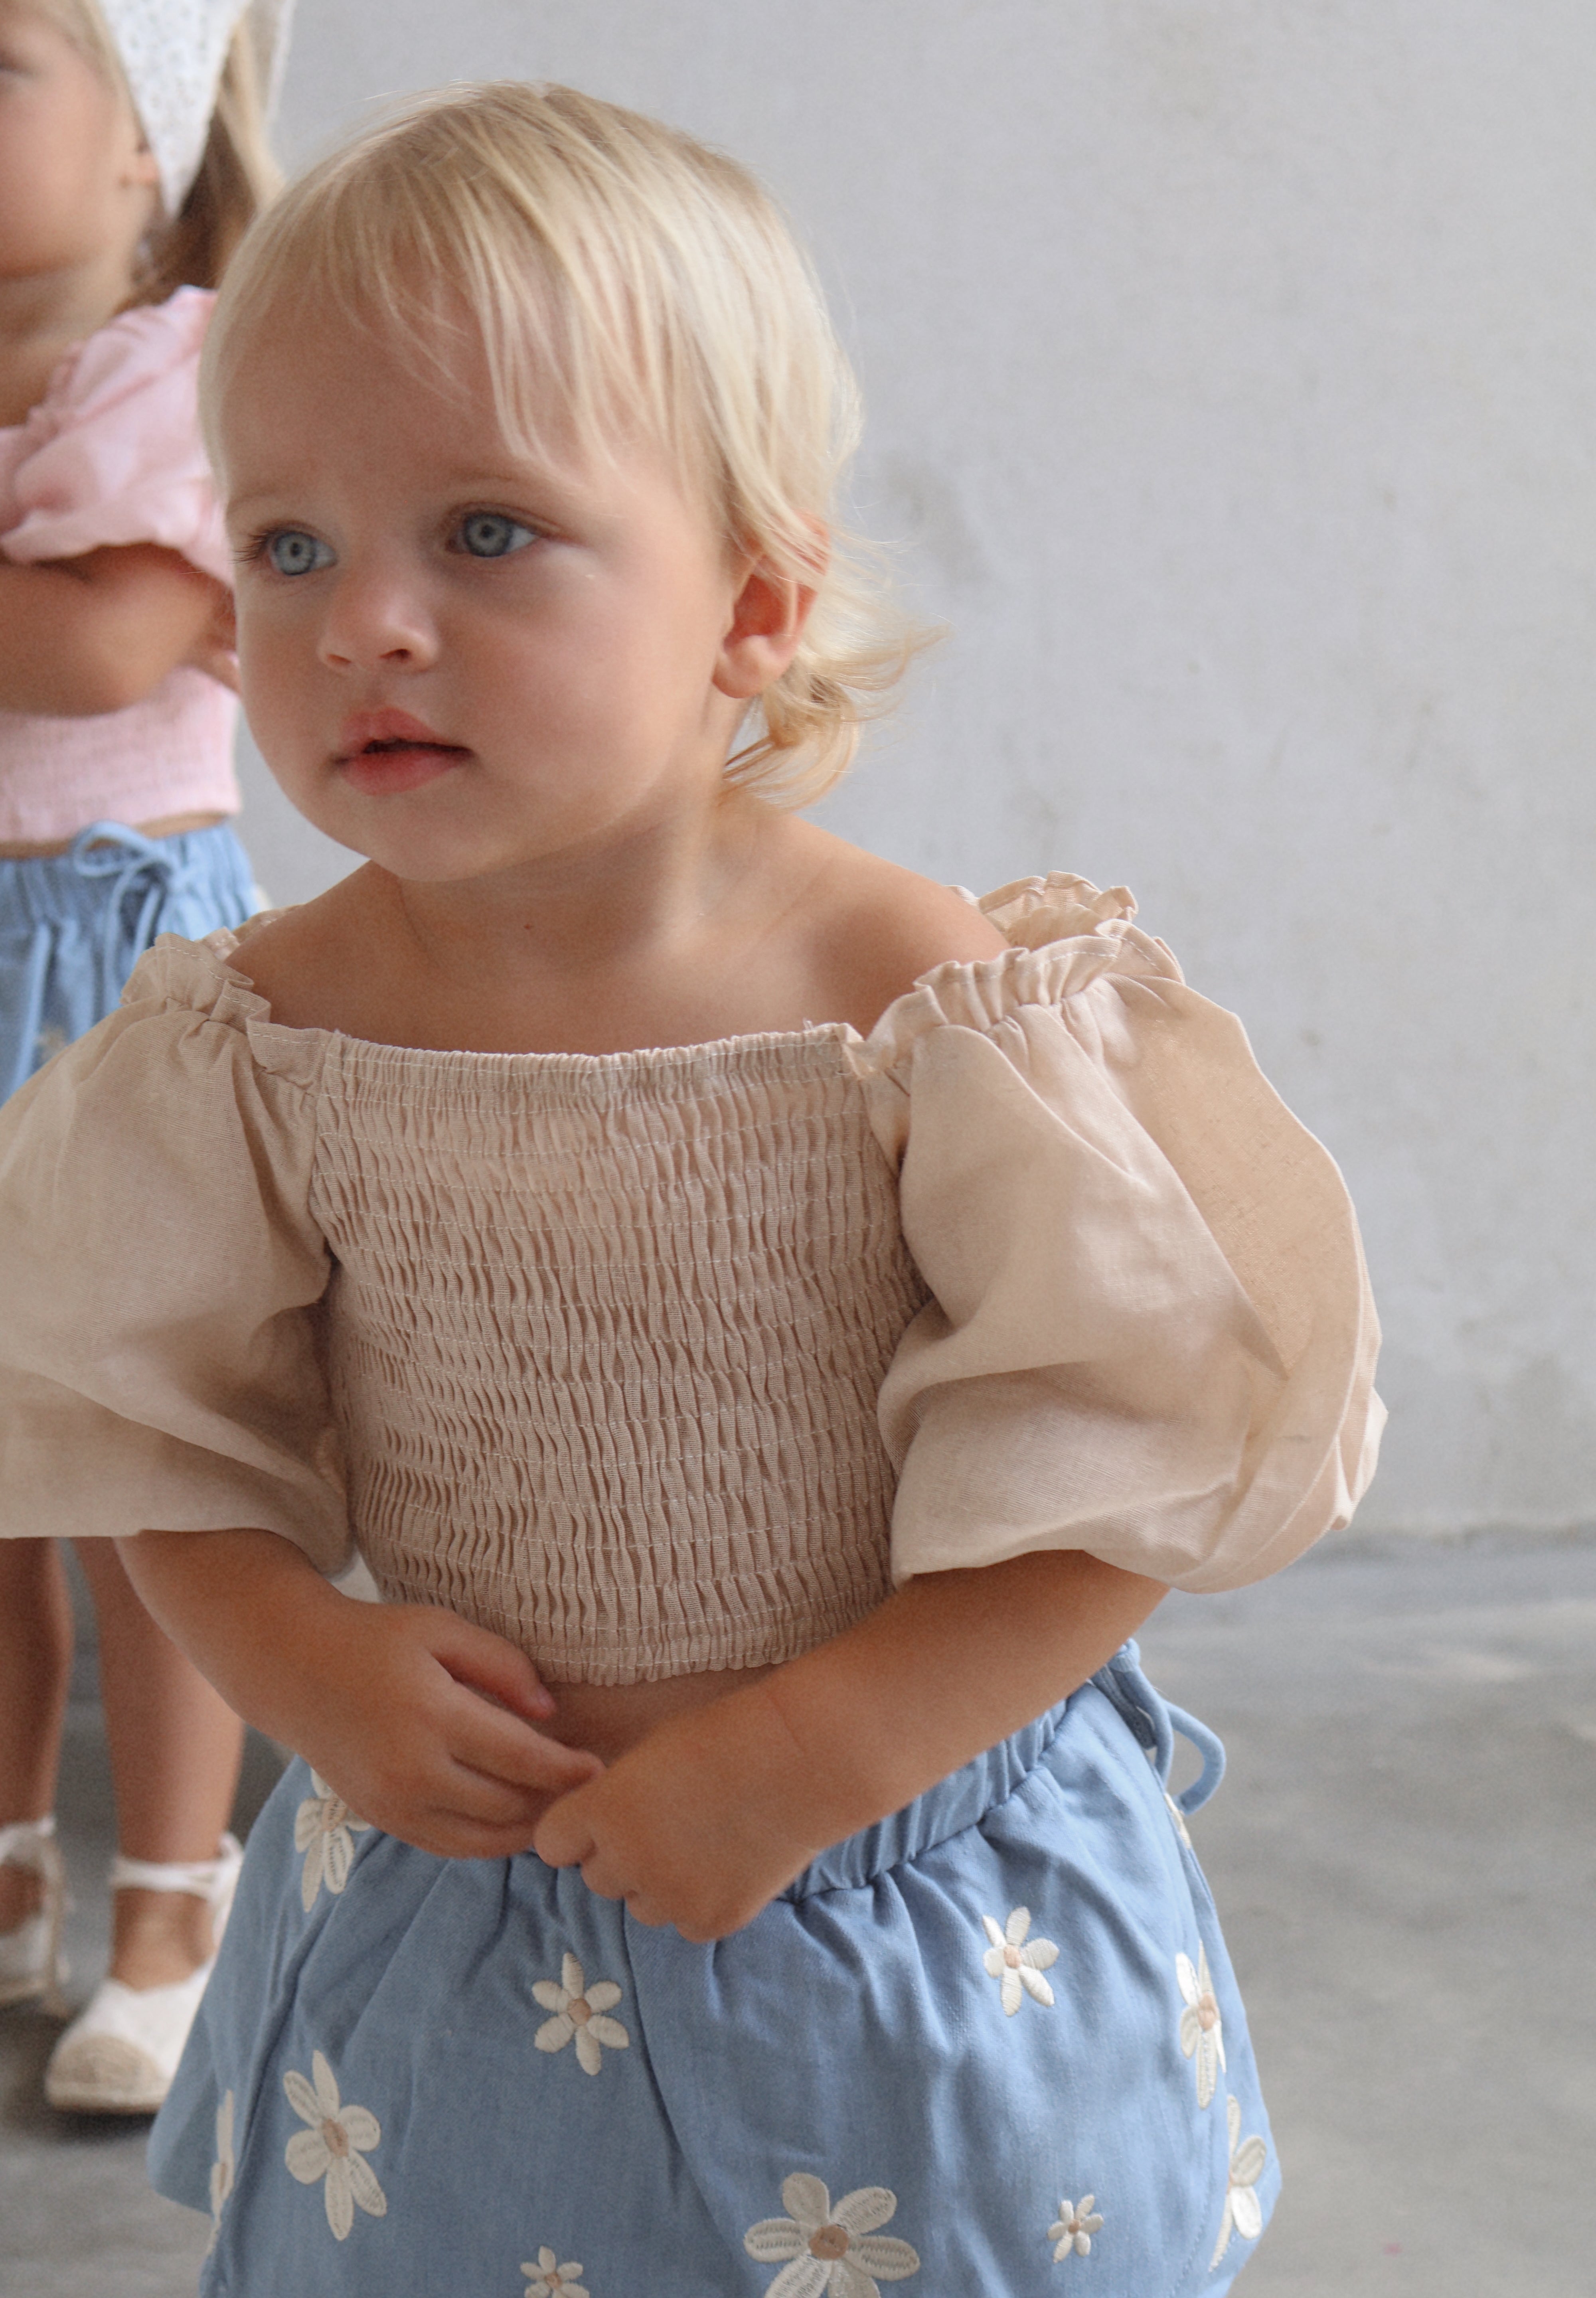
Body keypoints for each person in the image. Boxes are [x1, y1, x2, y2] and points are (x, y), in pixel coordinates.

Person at [0, 82, 1383, 2290]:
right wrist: (305, 1666)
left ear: (752, 596)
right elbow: (145, 1430)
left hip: (885, 1915)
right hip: (468, 1935)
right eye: (288, 546)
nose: (362, 625)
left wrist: (810, 1759)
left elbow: (1127, 1466)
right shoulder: (258, 1033)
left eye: (484, 533)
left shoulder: (918, 1005)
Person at [0, 0, 292, 2114]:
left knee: (138, 1467)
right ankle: (10, 1863)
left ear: (145, 145)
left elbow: (97, 645)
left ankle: (174, 1909)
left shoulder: (173, 369)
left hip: (109, 964)